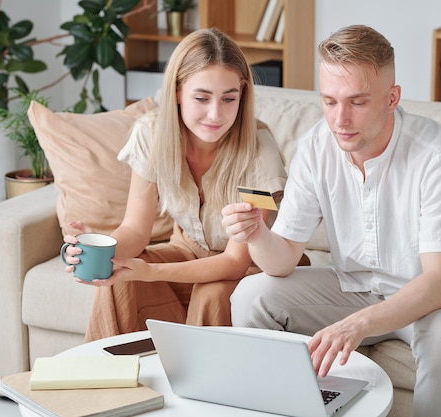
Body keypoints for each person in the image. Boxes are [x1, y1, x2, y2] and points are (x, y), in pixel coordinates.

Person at [221, 25, 441, 417]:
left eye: (357, 102)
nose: (340, 119)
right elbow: (282, 259)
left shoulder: (437, 155)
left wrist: (358, 325)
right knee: (252, 295)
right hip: (359, 286)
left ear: (392, 98)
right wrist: (256, 233)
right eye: (330, 101)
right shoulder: (316, 146)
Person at [61, 28, 289, 342]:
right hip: (188, 252)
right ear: (178, 92)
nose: (215, 114)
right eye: (201, 98)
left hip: (253, 269)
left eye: (228, 99)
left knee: (211, 294)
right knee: (123, 280)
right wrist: (100, 253)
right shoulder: (151, 134)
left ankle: (200, 389)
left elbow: (236, 262)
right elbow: (135, 230)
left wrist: (150, 271)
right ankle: (109, 383)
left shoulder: (258, 150)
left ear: (243, 94)